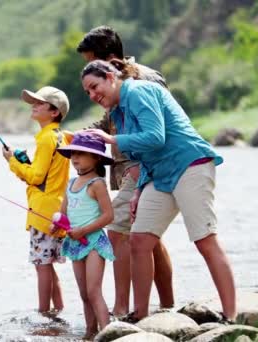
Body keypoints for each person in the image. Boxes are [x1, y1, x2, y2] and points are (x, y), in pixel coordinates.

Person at [82, 59, 236, 323]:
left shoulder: (138, 92)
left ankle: (231, 317)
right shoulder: (118, 112)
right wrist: (140, 189)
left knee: (204, 240)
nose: (94, 95)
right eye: (88, 93)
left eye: (95, 87)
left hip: (190, 164)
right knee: (139, 240)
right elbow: (145, 155)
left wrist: (111, 139)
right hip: (159, 174)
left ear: (110, 77)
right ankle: (141, 315)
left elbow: (156, 137)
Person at [76, 25, 174, 317]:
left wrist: (140, 168)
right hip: (128, 170)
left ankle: (122, 310)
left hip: (141, 169)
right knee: (150, 241)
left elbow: (160, 129)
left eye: (93, 60)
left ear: (110, 58)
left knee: (119, 232)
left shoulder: (145, 78)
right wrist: (78, 136)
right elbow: (109, 124)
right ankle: (168, 307)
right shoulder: (111, 82)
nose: (90, 69)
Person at [2, 86, 71, 315]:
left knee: (42, 266)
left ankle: (43, 314)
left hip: (42, 212)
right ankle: (58, 310)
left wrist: (13, 162)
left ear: (54, 112)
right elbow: (44, 174)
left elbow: (35, 177)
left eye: (40, 103)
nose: (34, 105)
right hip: (57, 209)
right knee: (49, 266)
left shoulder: (45, 139)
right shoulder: (61, 136)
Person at [51, 131, 115, 338]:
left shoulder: (96, 184)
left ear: (96, 158)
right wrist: (58, 224)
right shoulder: (70, 184)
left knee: (94, 291)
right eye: (73, 154)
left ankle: (107, 333)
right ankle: (89, 332)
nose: (75, 158)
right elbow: (64, 213)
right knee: (84, 294)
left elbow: (109, 216)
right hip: (76, 243)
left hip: (94, 242)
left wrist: (84, 230)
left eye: (80, 154)